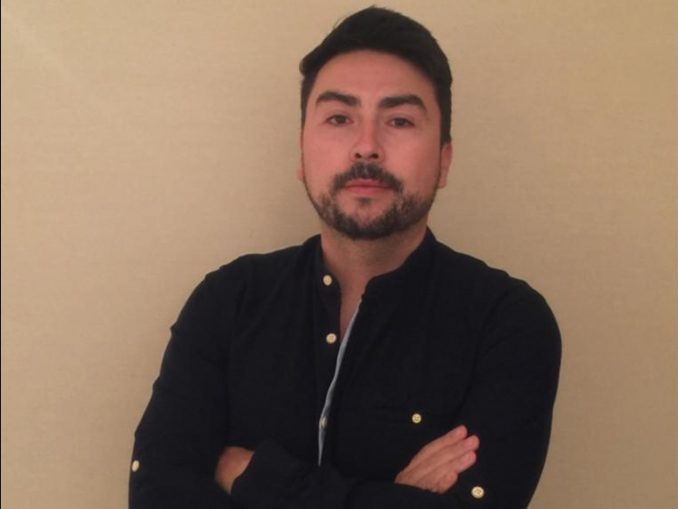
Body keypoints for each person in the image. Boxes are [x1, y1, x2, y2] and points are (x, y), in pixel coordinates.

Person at [129, 7, 561, 509]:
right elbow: (158, 494)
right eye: (339, 118)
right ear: (301, 152)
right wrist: (394, 498)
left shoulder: (508, 323)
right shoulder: (228, 301)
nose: (366, 147)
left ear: (444, 160)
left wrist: (251, 475)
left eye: (399, 120)